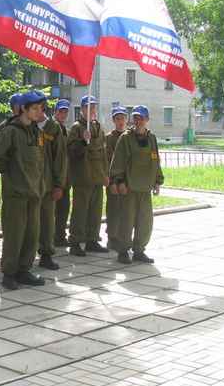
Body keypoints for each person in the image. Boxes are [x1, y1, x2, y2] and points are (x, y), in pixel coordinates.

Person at [0, 90, 47, 290]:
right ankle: (9, 273)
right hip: (16, 193)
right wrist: (14, 175)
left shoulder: (36, 131)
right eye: (35, 108)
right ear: (24, 109)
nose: (39, 112)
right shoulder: (10, 131)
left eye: (40, 108)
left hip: (34, 192)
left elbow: (41, 161)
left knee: (32, 235)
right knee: (14, 236)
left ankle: (24, 270)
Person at [110, 105, 164, 264]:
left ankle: (139, 250)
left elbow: (156, 160)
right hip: (129, 187)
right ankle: (123, 251)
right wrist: (118, 181)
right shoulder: (125, 138)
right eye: (136, 117)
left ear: (147, 120)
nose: (138, 121)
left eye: (141, 118)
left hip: (145, 187)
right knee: (127, 221)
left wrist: (157, 180)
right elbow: (118, 160)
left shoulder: (151, 138)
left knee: (145, 221)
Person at [68, 95, 109, 257]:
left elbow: (103, 153)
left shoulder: (98, 127)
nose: (92, 110)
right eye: (88, 107)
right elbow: (71, 151)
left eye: (94, 107)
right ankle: (75, 242)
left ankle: (92, 239)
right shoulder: (77, 128)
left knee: (95, 211)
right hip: (83, 177)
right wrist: (82, 142)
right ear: (82, 109)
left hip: (97, 177)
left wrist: (106, 174)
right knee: (80, 211)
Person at [37, 100, 67, 270]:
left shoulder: (53, 127)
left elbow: (60, 159)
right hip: (31, 183)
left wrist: (58, 184)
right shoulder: (29, 125)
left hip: (48, 183)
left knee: (47, 220)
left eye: (36, 107)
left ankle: (46, 254)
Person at [105, 106, 128, 252]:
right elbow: (107, 161)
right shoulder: (109, 138)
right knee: (113, 210)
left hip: (126, 181)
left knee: (125, 211)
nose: (121, 121)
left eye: (123, 118)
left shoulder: (128, 137)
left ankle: (123, 237)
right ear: (113, 120)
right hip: (113, 181)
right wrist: (112, 181)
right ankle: (112, 238)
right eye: (118, 119)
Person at [53, 100, 71, 247]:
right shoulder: (52, 128)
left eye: (65, 112)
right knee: (53, 209)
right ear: (55, 112)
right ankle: (52, 237)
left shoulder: (66, 130)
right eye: (61, 111)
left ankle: (60, 235)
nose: (63, 114)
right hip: (54, 176)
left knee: (64, 208)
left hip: (65, 176)